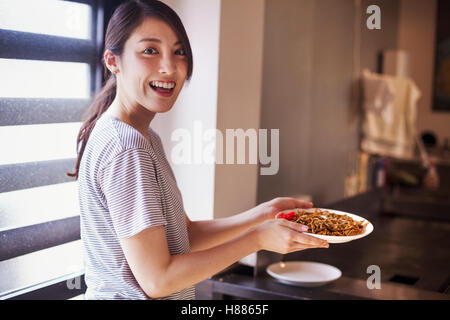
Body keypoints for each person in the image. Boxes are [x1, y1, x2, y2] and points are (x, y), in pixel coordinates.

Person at [68, 0, 328, 300]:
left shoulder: (143, 137)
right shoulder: (127, 147)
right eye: (150, 50)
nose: (169, 67)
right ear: (113, 61)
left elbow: (184, 235)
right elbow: (159, 280)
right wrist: (258, 239)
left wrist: (262, 215)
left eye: (178, 52)